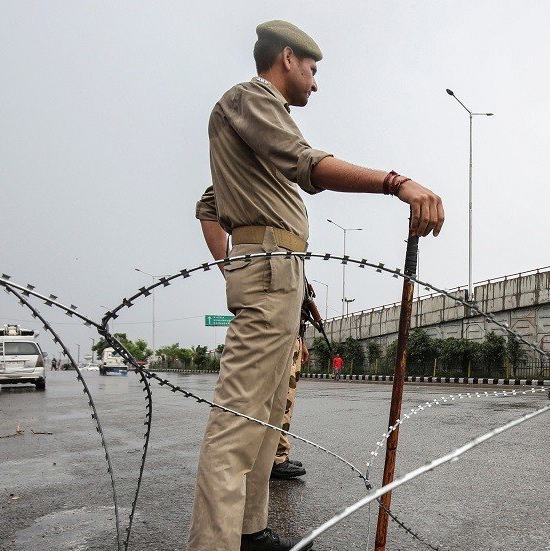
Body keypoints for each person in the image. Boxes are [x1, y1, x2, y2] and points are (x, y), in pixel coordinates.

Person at [189, 19, 444, 551]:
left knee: (262, 418)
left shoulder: (256, 125)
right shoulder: (251, 100)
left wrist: (246, 268)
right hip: (267, 268)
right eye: (311, 68)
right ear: (287, 58)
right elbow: (308, 165)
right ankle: (214, 544)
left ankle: (249, 530)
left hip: (279, 271)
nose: (315, 82)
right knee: (237, 419)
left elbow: (210, 205)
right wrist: (396, 183)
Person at [270, 333, 308, 480]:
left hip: (293, 336)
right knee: (282, 401)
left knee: (287, 399)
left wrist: (301, 341)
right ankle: (277, 458)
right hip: (282, 334)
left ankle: (278, 454)